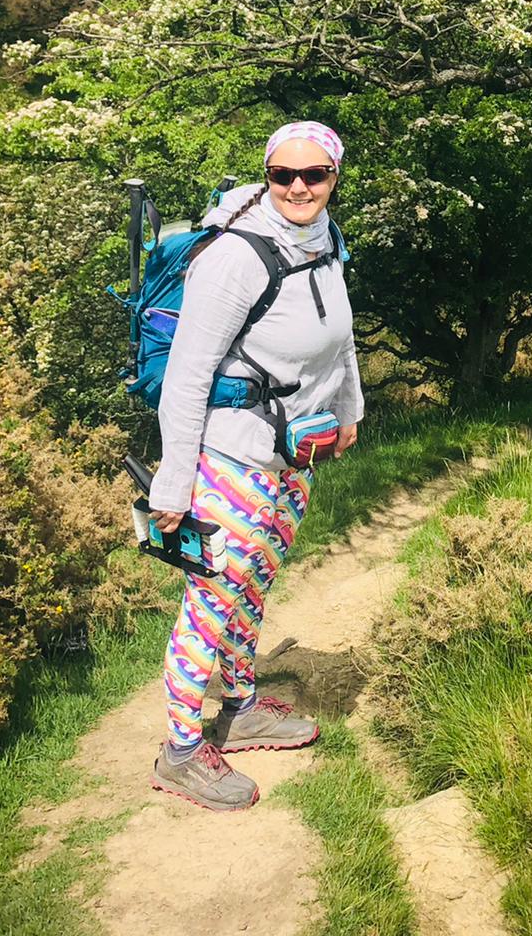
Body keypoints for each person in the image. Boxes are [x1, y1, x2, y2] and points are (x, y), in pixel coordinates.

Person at [147, 120, 362, 810]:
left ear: (334, 177)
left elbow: (340, 338)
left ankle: (239, 708)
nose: (299, 187)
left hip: (290, 452)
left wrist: (350, 410)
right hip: (229, 454)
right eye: (283, 175)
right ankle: (181, 749)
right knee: (211, 599)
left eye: (314, 175)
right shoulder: (236, 257)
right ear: (268, 176)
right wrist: (173, 482)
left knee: (253, 581)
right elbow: (185, 375)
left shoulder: (323, 236)